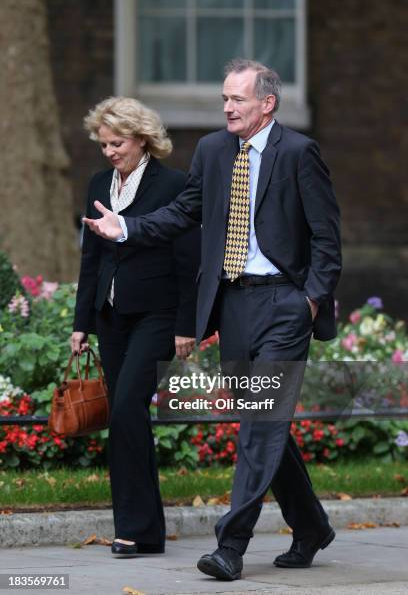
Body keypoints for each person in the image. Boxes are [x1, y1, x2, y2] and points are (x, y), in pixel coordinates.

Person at [84, 59, 342, 580]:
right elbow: (185, 212)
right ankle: (311, 524)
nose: (227, 107)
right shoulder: (212, 151)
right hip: (235, 304)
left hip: (285, 305)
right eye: (225, 98)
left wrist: (309, 300)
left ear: (266, 104)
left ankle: (232, 545)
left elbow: (326, 239)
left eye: (238, 100)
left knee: (260, 422)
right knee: (264, 419)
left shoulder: (298, 153)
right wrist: (127, 228)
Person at [71, 96, 200, 557]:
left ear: (142, 139)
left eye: (117, 142)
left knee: (126, 409)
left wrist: (188, 326)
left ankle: (133, 528)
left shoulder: (174, 186)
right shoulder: (97, 184)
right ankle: (144, 530)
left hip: (157, 315)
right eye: (103, 143)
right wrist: (81, 322)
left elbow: (190, 263)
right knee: (127, 420)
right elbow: (91, 257)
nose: (109, 151)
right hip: (110, 319)